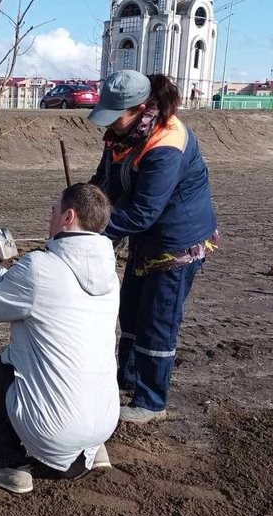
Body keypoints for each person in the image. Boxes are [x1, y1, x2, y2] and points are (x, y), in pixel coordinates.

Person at [0, 183, 120, 495]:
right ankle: (91, 451)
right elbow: (46, 300)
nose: (49, 215)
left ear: (68, 217)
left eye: (54, 210)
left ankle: (11, 465)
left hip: (54, 429)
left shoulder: (40, 267)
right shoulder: (108, 275)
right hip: (105, 420)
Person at [89, 70, 219, 424]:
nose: (110, 123)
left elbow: (144, 211)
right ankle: (126, 380)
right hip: (146, 240)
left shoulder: (166, 143)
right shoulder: (122, 133)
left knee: (157, 321)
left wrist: (92, 235)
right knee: (130, 311)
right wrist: (84, 208)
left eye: (116, 115)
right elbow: (105, 181)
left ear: (140, 107)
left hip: (176, 242)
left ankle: (150, 401)